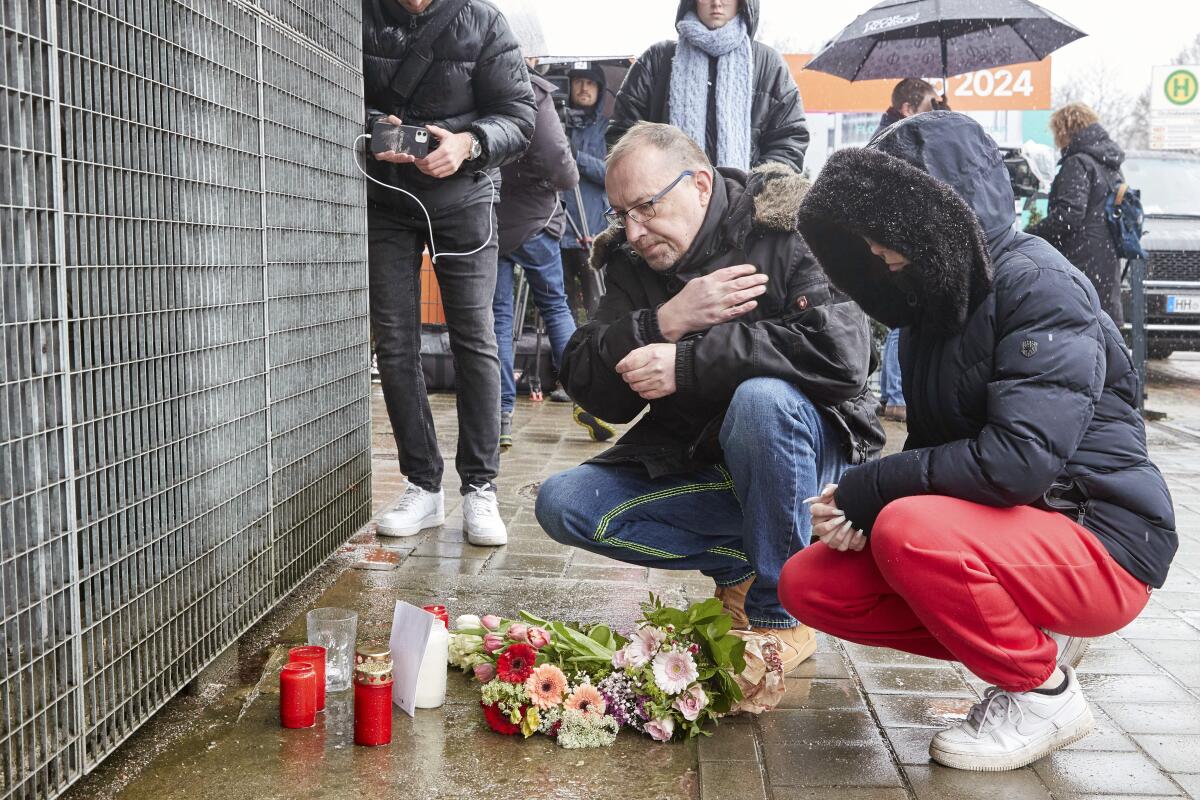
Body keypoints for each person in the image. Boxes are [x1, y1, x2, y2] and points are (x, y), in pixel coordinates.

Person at [785, 112, 1177, 771]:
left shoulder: (1042, 287)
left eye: (887, 232)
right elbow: (941, 462)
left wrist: (873, 489)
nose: (876, 252)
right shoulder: (933, 309)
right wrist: (857, 508)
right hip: (1022, 534)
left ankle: (1043, 694)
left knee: (909, 528)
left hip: (1104, 543)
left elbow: (1016, 465)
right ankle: (1020, 651)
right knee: (811, 584)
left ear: (939, 220)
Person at [535, 122, 884, 673]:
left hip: (815, 455)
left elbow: (843, 355)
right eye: (620, 214)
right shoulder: (633, 265)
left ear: (699, 183)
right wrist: (665, 321)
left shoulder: (790, 226)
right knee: (562, 504)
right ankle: (745, 563)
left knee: (761, 400)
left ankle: (780, 615)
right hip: (698, 456)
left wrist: (690, 363)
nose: (633, 230)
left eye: (646, 206)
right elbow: (588, 379)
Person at [363, 0, 535, 545]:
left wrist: (469, 144)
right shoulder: (357, 14)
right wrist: (374, 127)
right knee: (394, 343)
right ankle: (423, 485)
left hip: (465, 197)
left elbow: (519, 116)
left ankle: (480, 488)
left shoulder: (482, 20)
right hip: (386, 195)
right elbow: (326, 96)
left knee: (474, 338)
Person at [492, 62, 615, 450]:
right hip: (538, 223)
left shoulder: (482, 86)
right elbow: (563, 170)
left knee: (498, 317)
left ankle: (500, 417)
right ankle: (588, 399)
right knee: (557, 308)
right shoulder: (534, 93)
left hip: (494, 220)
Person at [607, 0, 809, 173]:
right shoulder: (657, 60)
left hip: (744, 212)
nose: (717, 2)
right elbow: (623, 137)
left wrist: (751, 193)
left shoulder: (768, 64)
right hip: (665, 210)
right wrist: (658, 187)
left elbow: (790, 139)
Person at [874, 78, 940, 423]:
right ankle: (897, 396)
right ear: (908, 109)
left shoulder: (890, 135)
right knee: (905, 319)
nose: (936, 109)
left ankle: (891, 395)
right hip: (902, 238)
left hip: (896, 236)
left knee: (901, 319)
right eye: (931, 103)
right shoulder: (899, 139)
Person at [1028, 102, 1127, 325]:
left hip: (1081, 261)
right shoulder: (1109, 162)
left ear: (1064, 130)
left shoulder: (1078, 162)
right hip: (1104, 259)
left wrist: (1030, 237)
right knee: (1102, 329)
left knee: (1078, 327)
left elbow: (1068, 216)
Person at [560, 66, 611, 321]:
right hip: (556, 230)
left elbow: (611, 174)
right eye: (578, 81)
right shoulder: (555, 123)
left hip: (590, 232)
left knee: (596, 307)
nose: (583, 88)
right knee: (559, 309)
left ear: (600, 90)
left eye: (590, 83)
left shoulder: (607, 129)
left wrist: (577, 157)